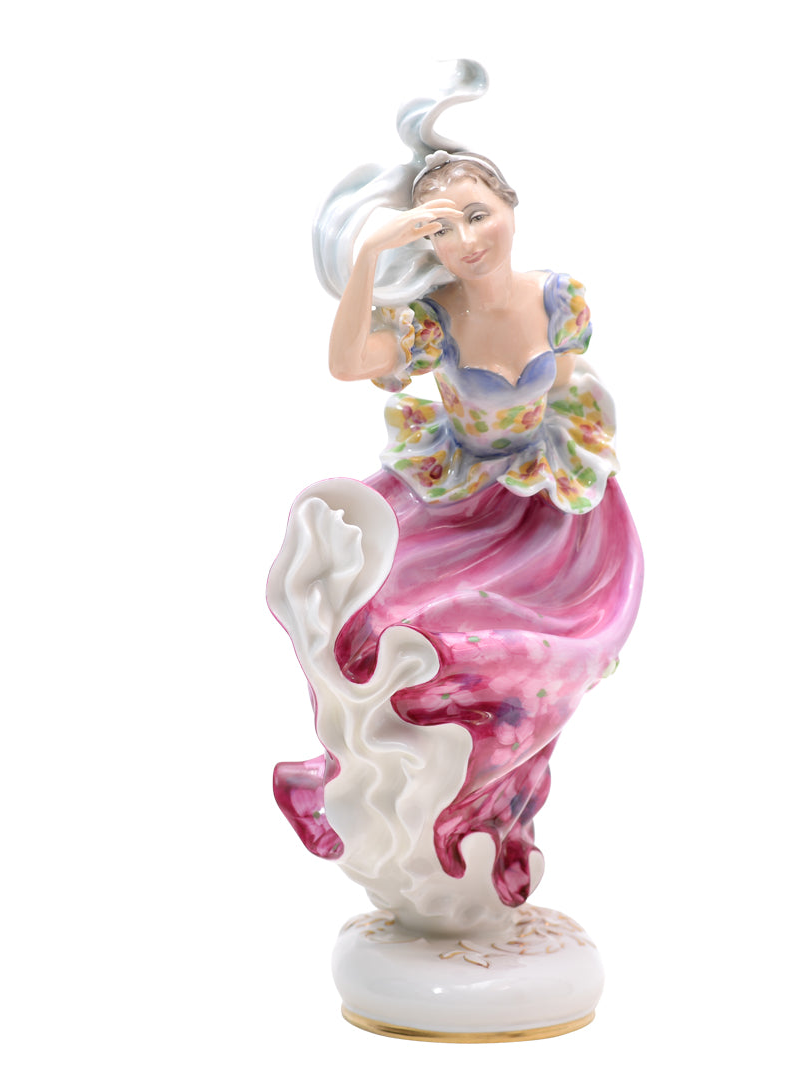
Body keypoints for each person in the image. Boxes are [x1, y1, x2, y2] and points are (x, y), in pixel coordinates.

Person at [274, 148, 644, 909]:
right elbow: (347, 363)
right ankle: (422, 811)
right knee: (397, 631)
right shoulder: (433, 320)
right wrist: (370, 255)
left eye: (478, 216)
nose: (467, 241)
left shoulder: (561, 298)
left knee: (549, 662)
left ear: (510, 207)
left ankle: (493, 819)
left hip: (540, 497)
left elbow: (565, 384)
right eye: (442, 229)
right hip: (459, 499)